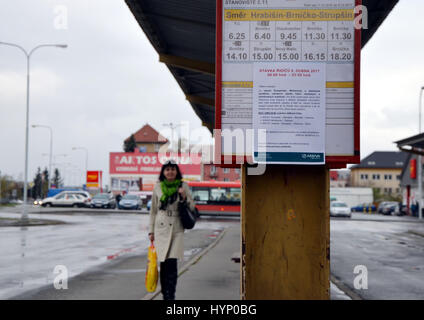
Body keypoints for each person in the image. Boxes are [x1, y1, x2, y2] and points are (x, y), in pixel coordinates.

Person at [148, 160, 195, 300]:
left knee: (172, 264)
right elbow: (153, 211)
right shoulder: (158, 187)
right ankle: (165, 294)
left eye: (173, 169)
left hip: (176, 228)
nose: (170, 172)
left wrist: (184, 197)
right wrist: (151, 231)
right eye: (167, 169)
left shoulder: (183, 186)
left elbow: (192, 207)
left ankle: (171, 296)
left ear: (177, 171)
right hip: (161, 228)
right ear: (163, 172)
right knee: (163, 264)